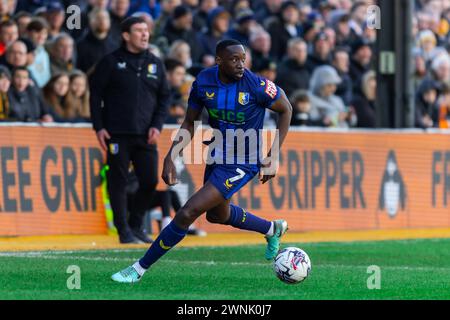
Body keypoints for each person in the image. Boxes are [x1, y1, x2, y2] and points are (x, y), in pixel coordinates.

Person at [111, 39, 293, 283]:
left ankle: (138, 269)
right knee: (217, 215)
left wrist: (273, 155)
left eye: (243, 58)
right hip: (217, 155)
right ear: (219, 61)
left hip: (243, 162)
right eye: (234, 59)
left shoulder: (257, 85)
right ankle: (272, 229)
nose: (241, 64)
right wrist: (171, 156)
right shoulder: (204, 82)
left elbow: (286, 108)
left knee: (188, 212)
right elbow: (190, 122)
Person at [90, 16, 170, 244]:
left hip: (146, 134)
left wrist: (157, 125)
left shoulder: (155, 63)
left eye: (146, 30)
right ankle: (123, 230)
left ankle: (136, 225)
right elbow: (95, 95)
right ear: (126, 35)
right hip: (117, 133)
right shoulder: (111, 62)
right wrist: (99, 127)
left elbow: (165, 97)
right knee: (119, 181)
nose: (145, 34)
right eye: (139, 30)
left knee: (149, 181)